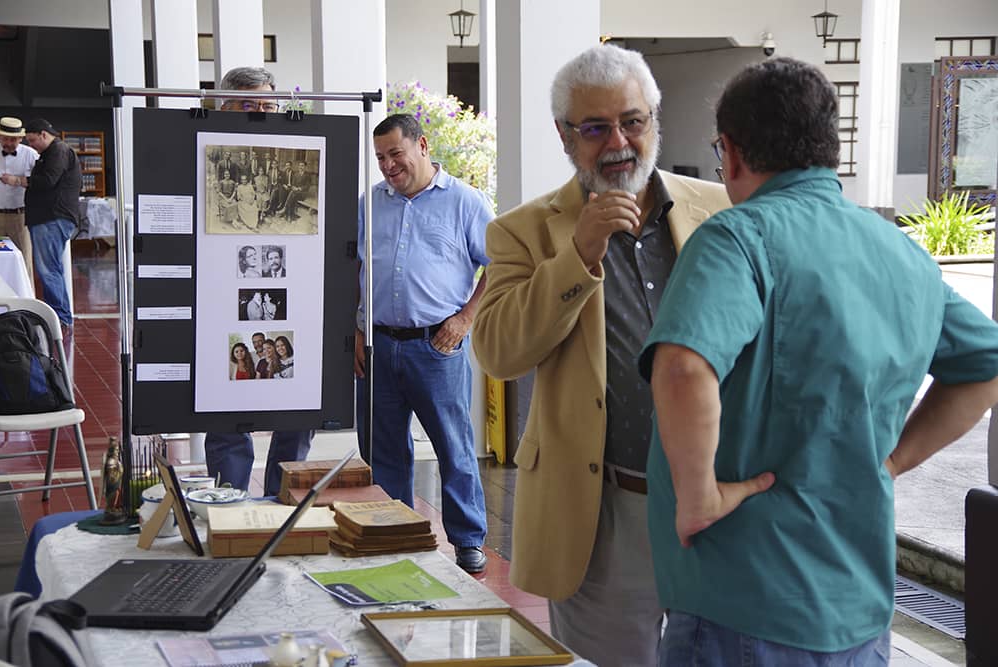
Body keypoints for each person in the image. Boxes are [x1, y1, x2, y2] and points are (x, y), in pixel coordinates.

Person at [639, 58, 998, 665]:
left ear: (728, 151)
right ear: (829, 148)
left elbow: (682, 366)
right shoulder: (900, 252)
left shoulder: (738, 238)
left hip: (745, 602)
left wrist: (697, 496)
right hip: (857, 603)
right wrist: (891, 461)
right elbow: (984, 366)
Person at [471, 44, 729, 666]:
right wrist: (578, 255)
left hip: (718, 506)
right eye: (595, 128)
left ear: (653, 121)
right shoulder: (524, 231)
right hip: (605, 513)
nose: (618, 142)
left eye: (632, 121)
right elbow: (499, 350)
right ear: (565, 136)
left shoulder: (718, 210)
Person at [354, 112, 493, 574]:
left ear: (423, 145)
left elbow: (503, 265)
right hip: (377, 345)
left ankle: (468, 539)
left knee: (454, 446)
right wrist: (355, 330)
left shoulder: (465, 202)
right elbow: (351, 271)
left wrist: (465, 319)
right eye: (380, 158)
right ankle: (395, 532)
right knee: (383, 449)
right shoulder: (369, 203)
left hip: (438, 347)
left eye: (396, 153)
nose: (389, 165)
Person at [205, 65, 311, 498]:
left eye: (268, 104)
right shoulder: (204, 148)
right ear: (225, 105)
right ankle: (229, 507)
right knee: (226, 414)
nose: (260, 113)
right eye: (249, 105)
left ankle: (279, 505)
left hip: (293, 295)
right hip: (220, 298)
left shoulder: (297, 144)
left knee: (297, 414)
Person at [23, 118, 82, 329]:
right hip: (50, 217)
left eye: (32, 141)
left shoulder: (58, 151)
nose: (31, 146)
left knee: (48, 270)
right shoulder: (52, 152)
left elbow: (48, 180)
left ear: (43, 135)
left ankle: (60, 318)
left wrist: (21, 180)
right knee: (51, 269)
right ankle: (59, 316)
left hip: (51, 217)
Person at [0, 116, 38, 284]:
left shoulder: (31, 155)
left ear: (21, 139)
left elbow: (40, 182)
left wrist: (18, 180)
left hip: (20, 216)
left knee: (24, 261)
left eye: (13, 140)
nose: (8, 143)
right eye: (5, 138)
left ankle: (27, 302)